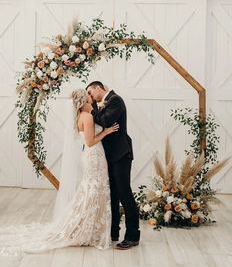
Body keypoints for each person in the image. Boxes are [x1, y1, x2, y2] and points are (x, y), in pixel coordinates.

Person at [0, 89, 119, 256]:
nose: (91, 98)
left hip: (90, 157)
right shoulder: (88, 116)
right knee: (94, 191)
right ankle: (89, 230)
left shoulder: (80, 116)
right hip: (94, 156)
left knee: (90, 191)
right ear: (83, 100)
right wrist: (106, 132)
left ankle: (89, 227)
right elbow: (91, 142)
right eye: (88, 96)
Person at [82, 81, 140, 250]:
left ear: (99, 88)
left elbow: (106, 121)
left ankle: (132, 236)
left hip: (121, 154)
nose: (91, 97)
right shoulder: (99, 104)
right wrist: (92, 107)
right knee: (112, 194)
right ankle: (113, 231)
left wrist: (92, 110)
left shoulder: (116, 100)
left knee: (124, 193)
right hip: (108, 156)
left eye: (91, 93)